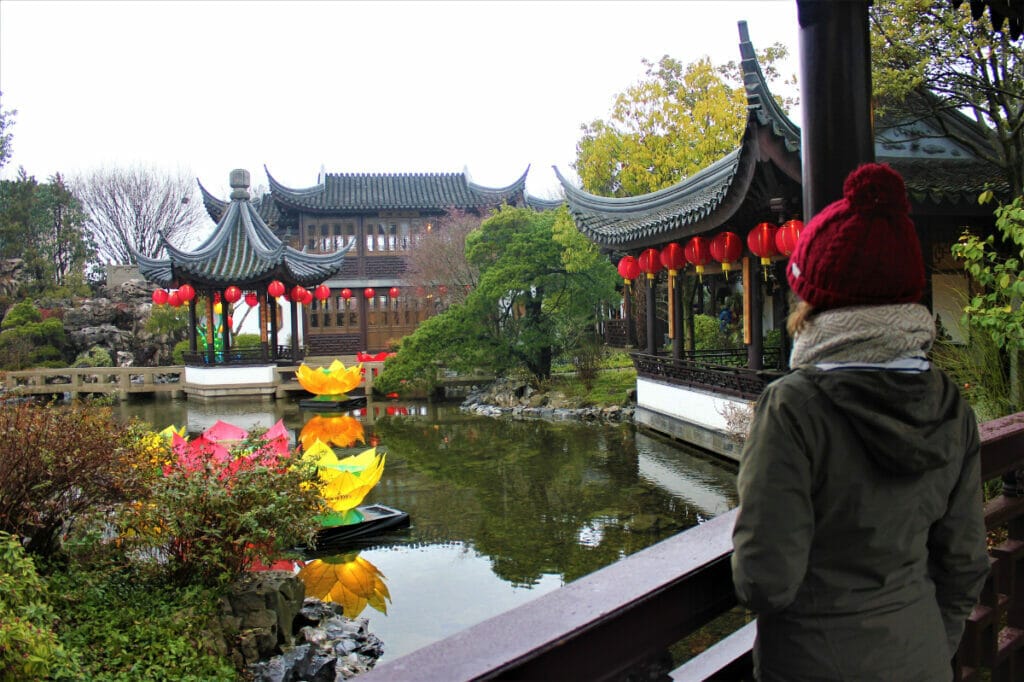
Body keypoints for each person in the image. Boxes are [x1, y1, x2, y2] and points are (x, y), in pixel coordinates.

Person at [731, 163, 989, 681]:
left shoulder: (792, 407)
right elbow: (964, 561)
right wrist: (931, 644)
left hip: (813, 663)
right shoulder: (948, 402)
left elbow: (766, 579)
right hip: (920, 655)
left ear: (815, 301)